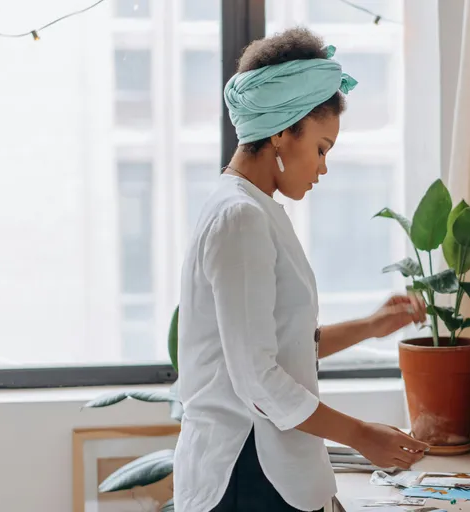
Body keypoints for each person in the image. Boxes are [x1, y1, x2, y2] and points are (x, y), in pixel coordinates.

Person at [173, 28, 429, 512]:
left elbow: (284, 346)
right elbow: (257, 378)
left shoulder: (251, 209)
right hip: (244, 471)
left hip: (263, 466)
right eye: (321, 148)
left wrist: (372, 325)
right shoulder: (240, 217)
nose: (323, 167)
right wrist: (361, 435)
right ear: (281, 132)